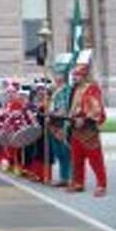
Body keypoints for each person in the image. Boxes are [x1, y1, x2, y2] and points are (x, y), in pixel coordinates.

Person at [67, 49, 107, 197]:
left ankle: (101, 184)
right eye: (74, 75)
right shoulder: (75, 89)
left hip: (89, 128)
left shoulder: (92, 88)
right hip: (76, 129)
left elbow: (96, 108)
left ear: (83, 76)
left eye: (76, 76)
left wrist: (84, 118)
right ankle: (78, 183)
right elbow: (72, 106)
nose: (74, 78)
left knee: (95, 159)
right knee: (76, 159)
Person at [48, 53, 74, 187]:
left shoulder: (67, 90)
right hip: (53, 123)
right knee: (58, 153)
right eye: (55, 74)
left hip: (63, 123)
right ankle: (63, 177)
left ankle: (70, 177)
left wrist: (57, 113)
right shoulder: (54, 90)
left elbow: (65, 108)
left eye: (58, 74)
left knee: (66, 152)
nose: (56, 77)